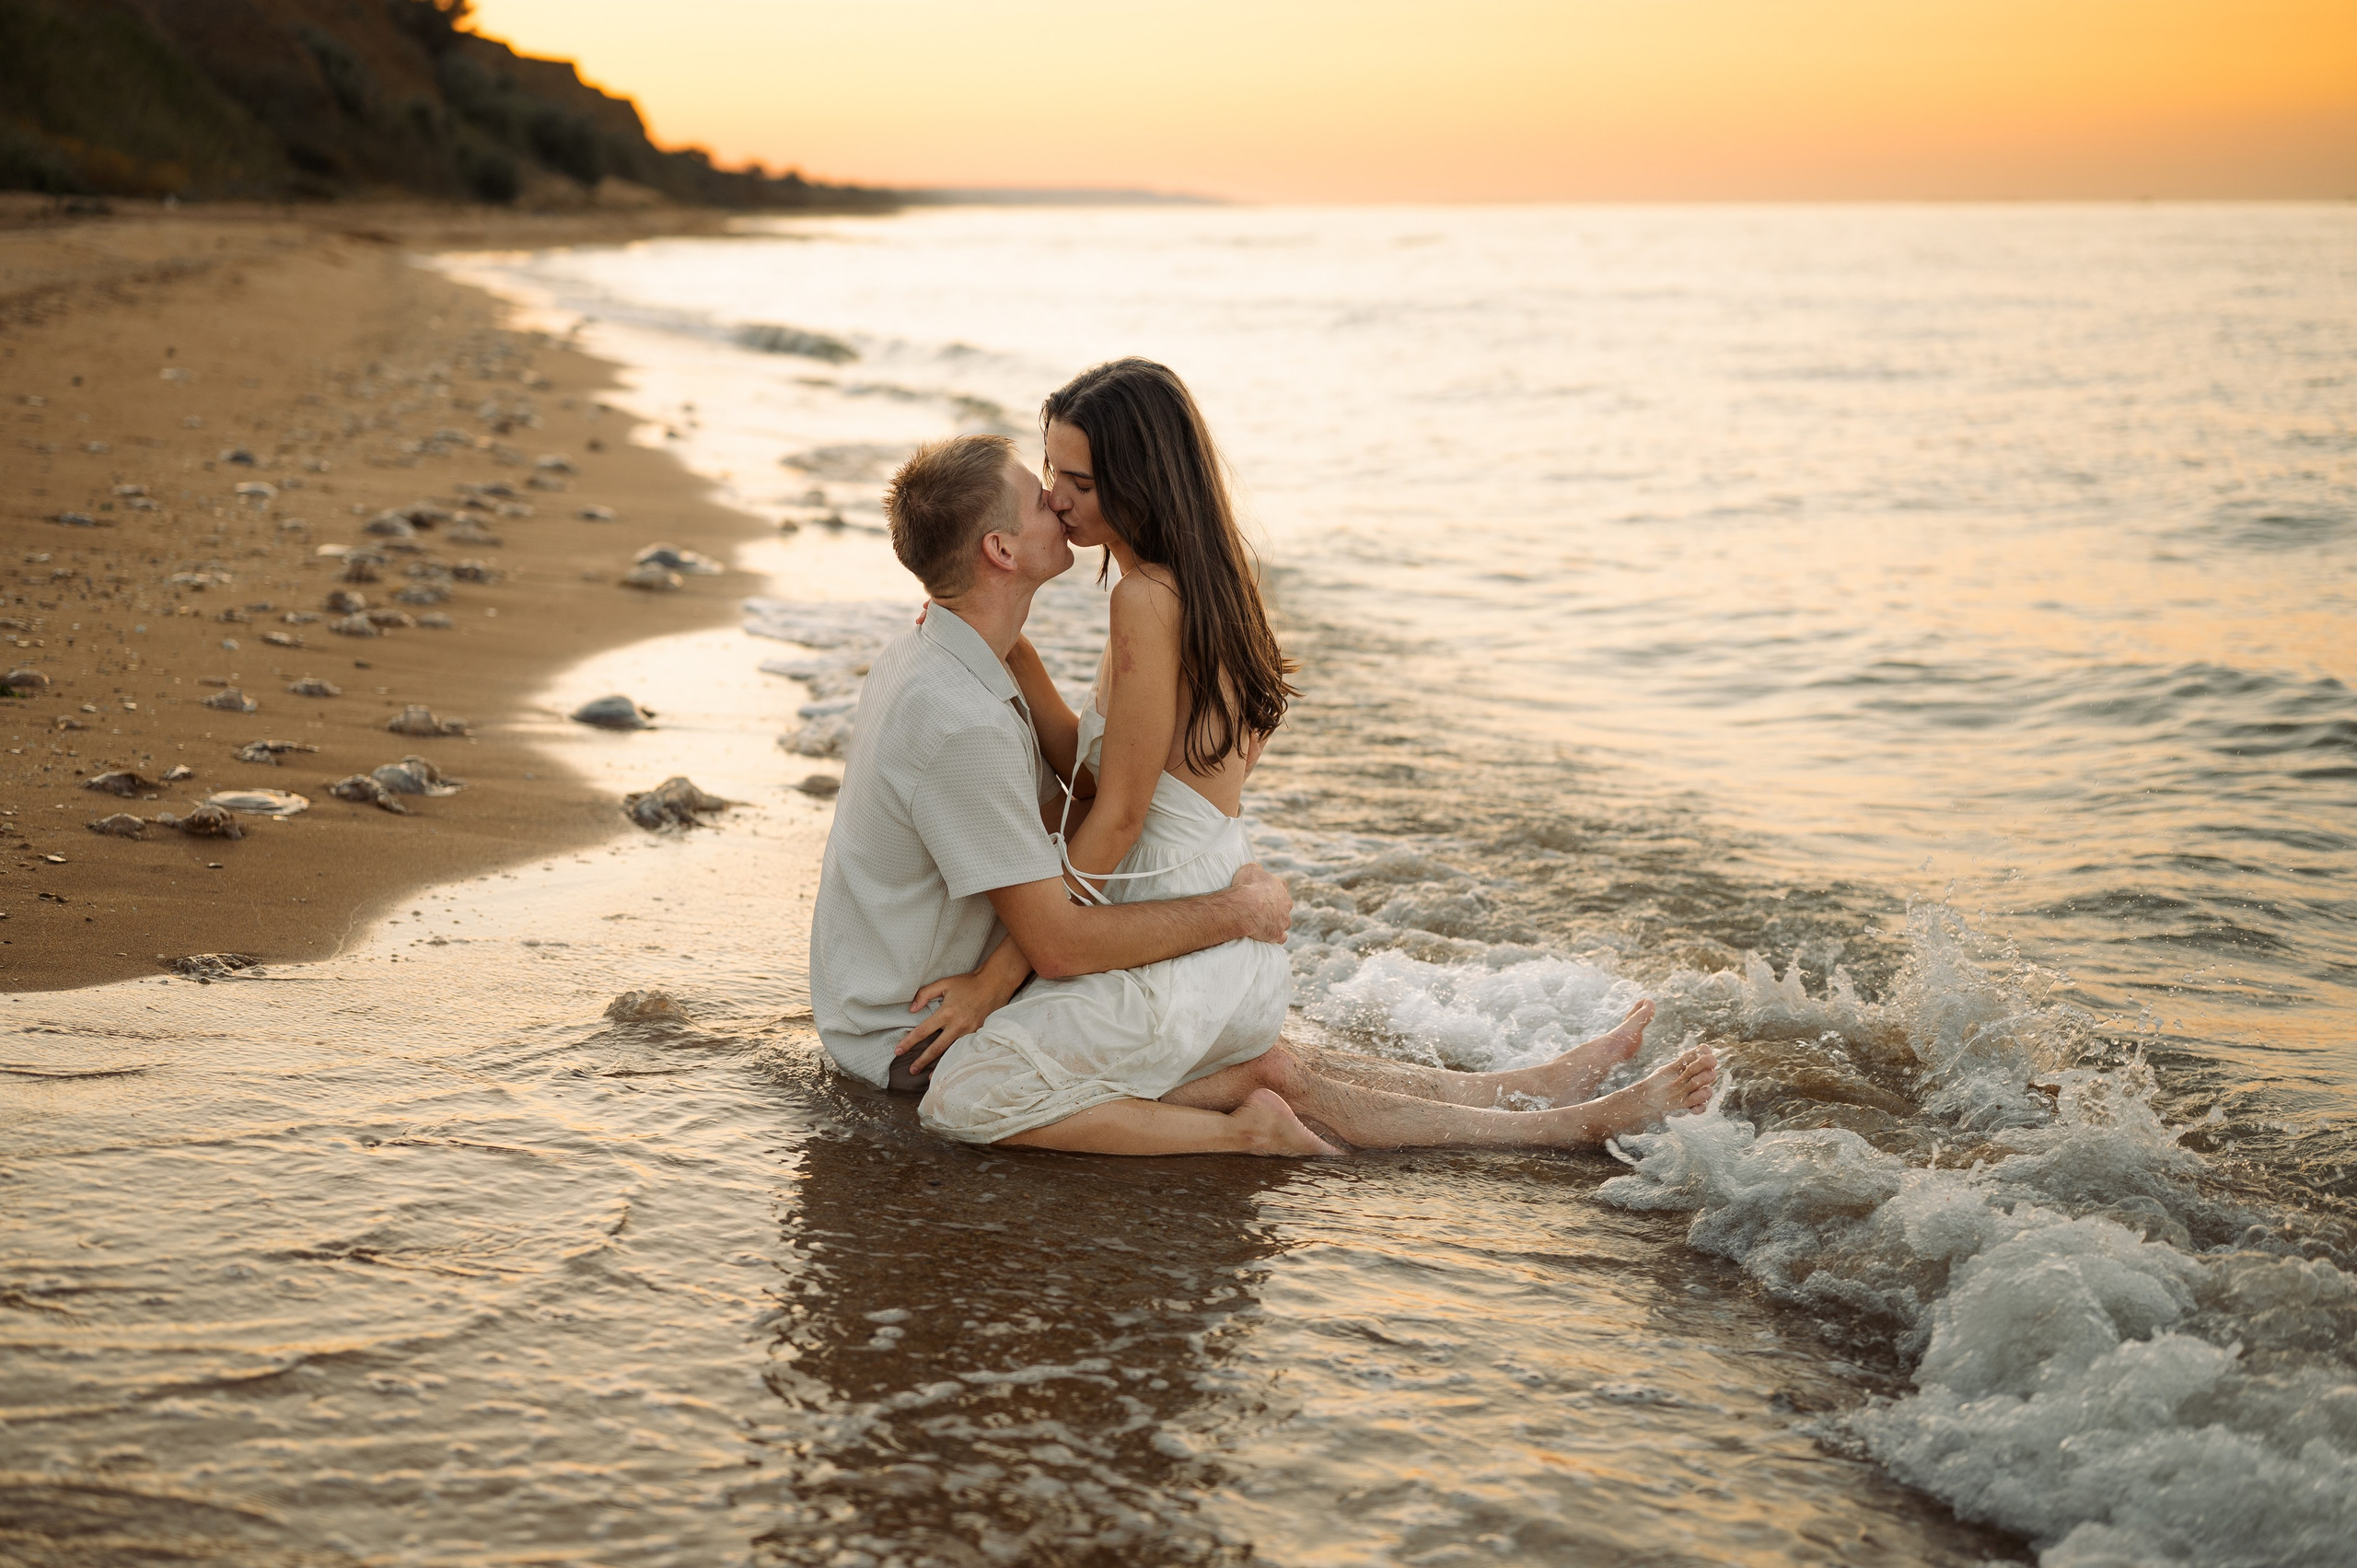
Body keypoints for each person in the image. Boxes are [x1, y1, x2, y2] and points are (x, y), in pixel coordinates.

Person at [884, 359, 1715, 1156]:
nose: (1057, 499)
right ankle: (1542, 1089)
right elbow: (1119, 778)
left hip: (1170, 938)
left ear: (1141, 483)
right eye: (1050, 472)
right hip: (1220, 939)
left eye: (1082, 483)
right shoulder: (1215, 583)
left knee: (968, 1088)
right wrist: (1013, 652)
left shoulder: (1142, 599)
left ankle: (1519, 1122)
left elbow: (1123, 812)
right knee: (1276, 1065)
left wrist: (999, 978)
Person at [807, 430, 1333, 1156]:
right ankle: (1244, 1133)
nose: (1056, 500)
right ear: (1001, 549)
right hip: (918, 1036)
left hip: (920, 986)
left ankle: (1519, 1111)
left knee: (1242, 1049)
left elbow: (1077, 803)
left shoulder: (946, 655)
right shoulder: (962, 719)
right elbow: (1058, 938)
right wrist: (1240, 911)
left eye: (1067, 482)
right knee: (1221, 1061)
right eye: (1039, 493)